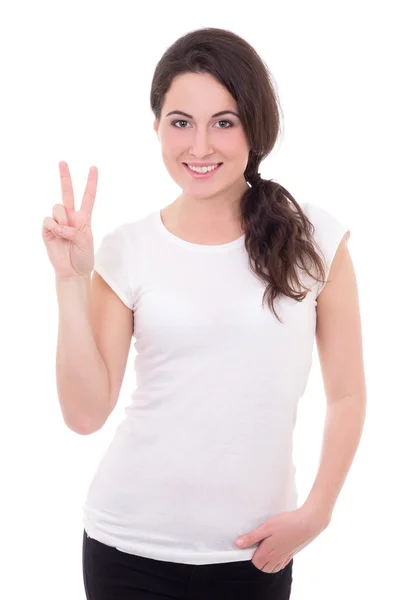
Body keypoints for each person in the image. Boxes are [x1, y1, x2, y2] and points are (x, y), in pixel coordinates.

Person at [43, 27, 366, 600]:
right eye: (180, 122)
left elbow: (346, 394)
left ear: (254, 127)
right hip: (126, 550)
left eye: (224, 121)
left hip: (255, 552)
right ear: (157, 128)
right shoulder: (128, 248)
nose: (199, 147)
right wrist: (72, 280)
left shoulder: (315, 239)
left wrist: (316, 513)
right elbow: (85, 414)